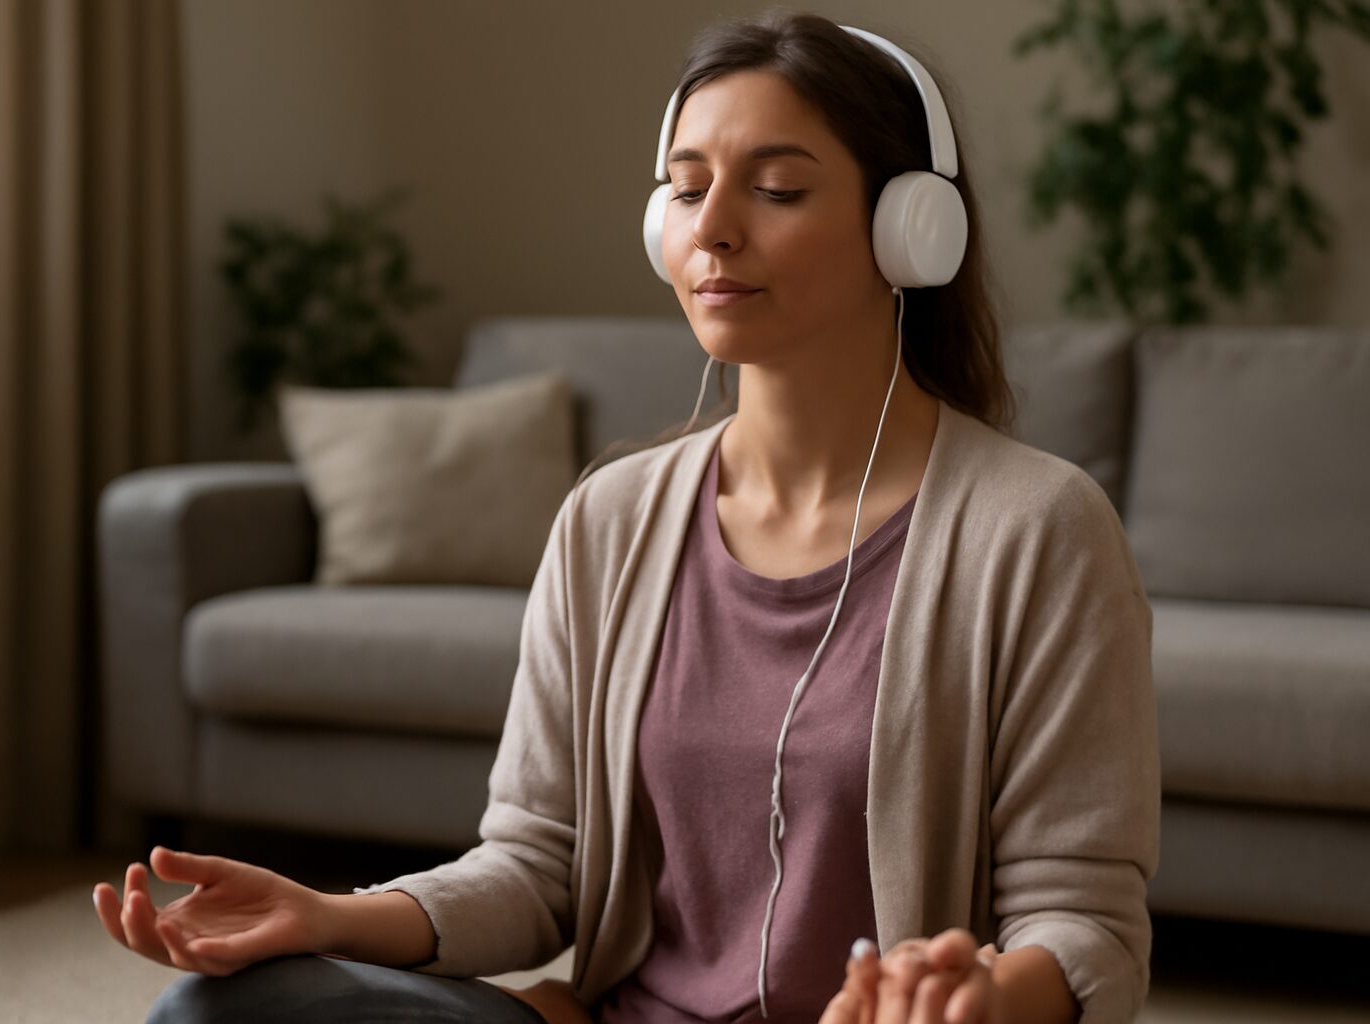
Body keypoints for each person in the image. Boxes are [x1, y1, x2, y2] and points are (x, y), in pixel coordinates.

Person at [94, 11, 1160, 1024]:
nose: (717, 230)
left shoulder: (1038, 529)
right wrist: (336, 917)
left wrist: (979, 996)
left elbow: (1084, 922)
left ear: (908, 229)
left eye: (779, 189)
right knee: (216, 1012)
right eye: (687, 191)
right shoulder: (610, 518)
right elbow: (535, 862)